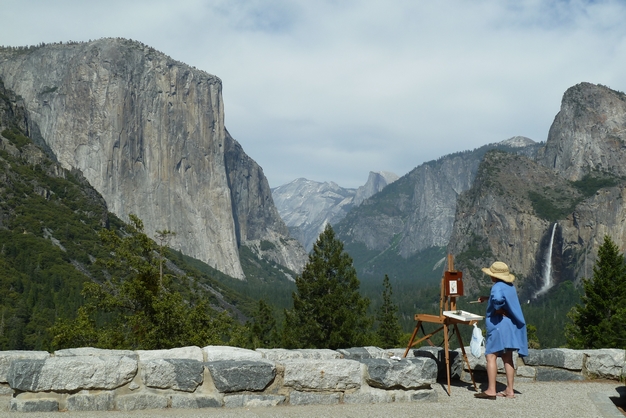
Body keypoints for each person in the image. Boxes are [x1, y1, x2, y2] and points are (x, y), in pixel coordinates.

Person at [474, 261, 528, 400]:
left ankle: (491, 390)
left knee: (490, 356)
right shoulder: (509, 286)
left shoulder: (497, 286)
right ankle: (510, 390)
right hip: (509, 325)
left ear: (495, 276)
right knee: (507, 357)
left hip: (498, 325)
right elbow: (503, 298)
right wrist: (488, 299)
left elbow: (498, 298)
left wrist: (498, 308)